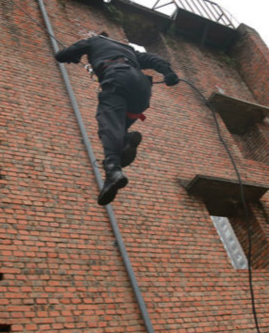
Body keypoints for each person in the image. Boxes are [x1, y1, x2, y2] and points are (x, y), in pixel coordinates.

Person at [55, 33, 179, 205]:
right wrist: (168, 72)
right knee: (118, 129)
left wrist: (69, 56)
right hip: (142, 89)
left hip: (117, 77)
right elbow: (151, 58)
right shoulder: (128, 49)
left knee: (108, 123)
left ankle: (113, 169)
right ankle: (124, 144)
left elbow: (62, 55)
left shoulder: (93, 41)